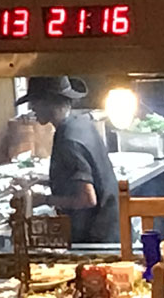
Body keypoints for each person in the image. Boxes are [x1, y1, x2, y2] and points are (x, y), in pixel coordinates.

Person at [16, 76, 120, 243]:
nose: (32, 108)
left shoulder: (68, 141)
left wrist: (43, 200)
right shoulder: (81, 123)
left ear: (49, 102)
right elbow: (75, 177)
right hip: (112, 227)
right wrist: (40, 181)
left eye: (35, 102)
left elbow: (87, 199)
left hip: (97, 238)